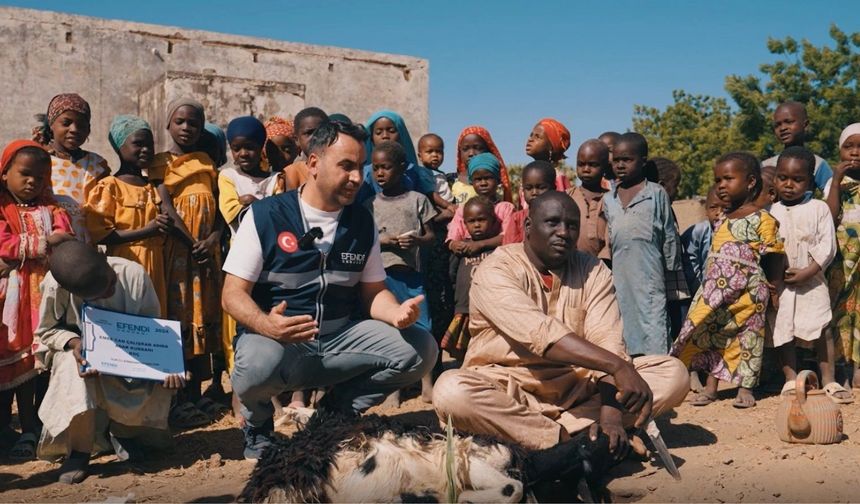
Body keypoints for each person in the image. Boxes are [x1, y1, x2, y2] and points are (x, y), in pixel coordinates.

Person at [221, 120, 436, 460]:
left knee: (421, 347)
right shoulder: (265, 216)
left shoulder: (361, 222)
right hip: (282, 343)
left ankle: (333, 415)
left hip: (339, 340)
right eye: (346, 166)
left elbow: (373, 292)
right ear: (314, 164)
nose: (356, 177)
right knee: (255, 365)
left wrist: (395, 312)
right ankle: (258, 428)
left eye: (360, 167)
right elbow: (231, 293)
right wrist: (266, 324)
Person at [432, 192, 689, 453]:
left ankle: (565, 436)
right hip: (508, 387)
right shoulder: (496, 268)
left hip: (578, 386)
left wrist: (611, 417)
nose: (564, 232)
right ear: (528, 227)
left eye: (572, 225)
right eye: (553, 223)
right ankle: (566, 439)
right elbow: (541, 334)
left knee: (672, 374)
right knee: (451, 392)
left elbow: (607, 340)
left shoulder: (593, 269)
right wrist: (617, 367)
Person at [35, 240, 184, 484]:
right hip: (83, 357)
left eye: (111, 283)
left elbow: (153, 332)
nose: (109, 293)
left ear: (104, 259)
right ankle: (79, 452)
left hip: (130, 358)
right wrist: (75, 344)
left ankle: (125, 433)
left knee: (153, 381)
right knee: (70, 369)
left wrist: (168, 368)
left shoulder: (133, 274)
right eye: (100, 294)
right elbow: (47, 331)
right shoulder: (55, 286)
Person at [671, 152, 785, 409]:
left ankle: (745, 388)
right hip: (717, 289)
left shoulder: (763, 219)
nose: (721, 184)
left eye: (728, 178)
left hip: (749, 291)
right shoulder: (722, 218)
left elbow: (774, 256)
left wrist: (775, 289)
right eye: (718, 179)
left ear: (751, 181)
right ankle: (712, 388)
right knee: (714, 334)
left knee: (748, 338)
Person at [149, 97, 223, 427]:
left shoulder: (207, 162)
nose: (186, 127)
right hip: (177, 254)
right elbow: (165, 206)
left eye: (193, 122)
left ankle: (195, 394)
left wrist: (213, 239)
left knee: (202, 316)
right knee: (177, 317)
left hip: (205, 256)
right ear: (168, 125)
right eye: (180, 121)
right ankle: (176, 399)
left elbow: (220, 209)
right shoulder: (157, 163)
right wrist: (192, 242)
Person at [0, 140, 74, 460]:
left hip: (43, 296)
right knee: (12, 363)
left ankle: (34, 427)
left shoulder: (52, 208)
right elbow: (4, 246)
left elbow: (65, 235)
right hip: (11, 300)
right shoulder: (2, 208)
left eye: (40, 177)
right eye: (25, 174)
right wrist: (43, 243)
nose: (32, 181)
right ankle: (7, 428)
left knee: (39, 363)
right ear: (5, 174)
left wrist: (26, 247)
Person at [770, 147, 849, 403]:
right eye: (783, 178)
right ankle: (790, 380)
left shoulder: (818, 208)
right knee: (784, 331)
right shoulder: (771, 211)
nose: (789, 184)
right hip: (782, 284)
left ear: (810, 181)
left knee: (822, 328)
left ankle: (829, 380)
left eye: (798, 179)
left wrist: (809, 271)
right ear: (775, 178)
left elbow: (827, 245)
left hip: (813, 281)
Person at [85, 115, 173, 317]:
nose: (146, 150)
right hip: (124, 265)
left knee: (154, 318)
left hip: (156, 265)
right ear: (119, 147)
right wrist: (147, 231)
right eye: (138, 144)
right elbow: (102, 235)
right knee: (127, 319)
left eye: (150, 145)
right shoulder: (109, 187)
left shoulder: (154, 186)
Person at [603, 133, 682, 355]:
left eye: (627, 160)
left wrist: (670, 267)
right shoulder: (609, 200)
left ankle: (659, 372)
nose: (620, 165)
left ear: (642, 161)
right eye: (616, 159)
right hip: (620, 275)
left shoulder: (656, 193)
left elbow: (668, 234)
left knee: (654, 320)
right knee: (624, 321)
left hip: (651, 274)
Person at [363, 140, 436, 334]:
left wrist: (417, 240)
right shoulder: (369, 204)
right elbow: (363, 241)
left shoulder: (417, 200)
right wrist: (383, 242)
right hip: (381, 277)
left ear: (402, 167)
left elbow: (431, 237)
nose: (379, 173)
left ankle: (428, 359)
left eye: (386, 167)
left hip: (411, 275)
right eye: (375, 168)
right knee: (387, 323)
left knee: (420, 322)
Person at [40, 93, 110, 243]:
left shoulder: (97, 165)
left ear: (89, 129)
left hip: (84, 244)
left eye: (81, 125)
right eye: (66, 123)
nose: (74, 129)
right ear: (52, 124)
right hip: (49, 242)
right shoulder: (40, 160)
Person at [356, 110, 448, 212]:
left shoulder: (414, 171)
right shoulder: (366, 174)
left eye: (391, 131)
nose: (385, 135)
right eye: (378, 132)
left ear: (401, 135)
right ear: (372, 138)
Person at [442, 197, 499, 359]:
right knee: (464, 349)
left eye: (481, 220)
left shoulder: (497, 249)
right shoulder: (461, 249)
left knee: (489, 347)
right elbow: (451, 276)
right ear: (465, 224)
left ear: (493, 220)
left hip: (490, 309)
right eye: (471, 221)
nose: (477, 225)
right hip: (465, 308)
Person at [825, 123, 860, 391]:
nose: (855, 153)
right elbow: (829, 215)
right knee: (840, 314)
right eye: (849, 147)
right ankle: (842, 369)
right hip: (841, 263)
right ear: (840, 151)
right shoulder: (834, 183)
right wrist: (836, 181)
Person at [447, 153, 515, 256]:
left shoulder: (505, 208)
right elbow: (452, 237)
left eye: (488, 178)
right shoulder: (464, 210)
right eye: (478, 179)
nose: (483, 183)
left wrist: (480, 244)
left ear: (498, 180)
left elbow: (508, 236)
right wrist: (454, 245)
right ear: (471, 182)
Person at [763, 101, 832, 193]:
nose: (783, 128)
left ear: (805, 125)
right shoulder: (766, 165)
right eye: (777, 125)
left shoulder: (818, 164)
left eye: (789, 122)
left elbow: (832, 195)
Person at [566, 140, 610, 262]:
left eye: (593, 165)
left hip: (604, 267)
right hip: (571, 265)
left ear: (605, 167)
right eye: (581, 164)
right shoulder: (567, 197)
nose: (586, 169)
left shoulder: (612, 200)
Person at [451, 126, 513, 204]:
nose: (471, 153)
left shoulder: (498, 180)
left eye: (478, 148)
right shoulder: (451, 181)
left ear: (488, 150)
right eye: (465, 149)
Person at [680, 186, 723, 295]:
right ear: (706, 211)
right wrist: (702, 295)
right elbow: (691, 269)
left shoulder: (736, 233)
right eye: (713, 207)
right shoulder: (697, 233)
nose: (719, 212)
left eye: (724, 208)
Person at [502, 160, 556, 245]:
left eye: (541, 187)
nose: (534, 192)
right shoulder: (518, 218)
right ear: (523, 189)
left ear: (553, 188)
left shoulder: (559, 217)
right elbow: (507, 249)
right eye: (528, 188)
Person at [280, 107, 328, 191]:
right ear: (297, 140)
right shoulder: (293, 172)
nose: (315, 137)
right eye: (309, 133)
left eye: (320, 131)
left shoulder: (337, 168)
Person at [525, 118, 572, 193]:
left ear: (551, 146)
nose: (530, 139)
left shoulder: (557, 178)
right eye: (531, 135)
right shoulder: (527, 175)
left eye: (537, 137)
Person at [417, 133, 454, 206]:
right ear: (420, 156)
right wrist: (447, 205)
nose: (435, 155)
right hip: (437, 207)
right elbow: (430, 193)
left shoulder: (439, 173)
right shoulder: (423, 173)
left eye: (439, 151)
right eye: (429, 151)